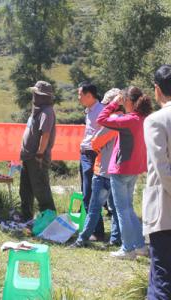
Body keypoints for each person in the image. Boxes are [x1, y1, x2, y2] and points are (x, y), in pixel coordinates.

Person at [97, 86, 152, 260]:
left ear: (128, 101)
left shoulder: (128, 119)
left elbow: (101, 119)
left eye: (123, 100)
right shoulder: (144, 118)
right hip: (134, 168)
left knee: (122, 210)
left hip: (121, 169)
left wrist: (113, 104)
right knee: (128, 208)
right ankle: (141, 246)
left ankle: (128, 249)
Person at [71, 88, 121, 248]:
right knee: (116, 207)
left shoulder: (113, 120)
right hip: (117, 168)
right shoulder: (127, 119)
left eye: (106, 105)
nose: (104, 108)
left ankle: (84, 238)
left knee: (94, 206)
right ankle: (115, 239)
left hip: (104, 168)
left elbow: (96, 142)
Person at [143, 65, 171, 299]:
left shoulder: (156, 120)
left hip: (165, 212)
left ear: (157, 89)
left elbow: (163, 169)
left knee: (161, 279)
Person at [19, 81, 56, 233]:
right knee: (25, 190)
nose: (33, 96)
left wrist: (40, 154)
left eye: (36, 93)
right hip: (28, 157)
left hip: (37, 158)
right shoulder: (38, 111)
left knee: (42, 192)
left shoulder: (47, 111)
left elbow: (45, 135)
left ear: (41, 96)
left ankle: (49, 225)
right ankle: (27, 220)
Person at [78, 82, 105, 241]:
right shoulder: (89, 111)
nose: (78, 98)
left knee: (90, 194)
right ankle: (95, 230)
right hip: (85, 154)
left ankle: (97, 232)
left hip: (92, 155)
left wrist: (96, 149)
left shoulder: (101, 111)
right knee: (86, 194)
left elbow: (105, 134)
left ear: (89, 95)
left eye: (80, 94)